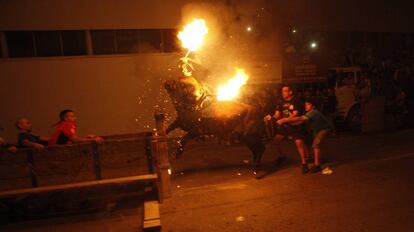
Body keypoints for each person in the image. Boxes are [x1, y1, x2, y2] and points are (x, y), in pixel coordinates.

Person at [278, 98, 334, 173]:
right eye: (305, 104)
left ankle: (317, 165)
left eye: (308, 104)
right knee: (310, 142)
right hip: (317, 130)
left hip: (325, 129)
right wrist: (288, 122)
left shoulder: (313, 112)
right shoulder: (308, 112)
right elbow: (299, 122)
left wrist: (285, 120)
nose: (306, 106)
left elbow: (300, 119)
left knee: (316, 144)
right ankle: (313, 160)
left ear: (313, 106)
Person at [264, 85, 308, 173]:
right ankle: (282, 156)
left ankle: (304, 163)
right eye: (282, 91)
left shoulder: (296, 100)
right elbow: (277, 114)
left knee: (299, 143)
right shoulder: (280, 102)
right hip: (285, 126)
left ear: (290, 92)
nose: (283, 93)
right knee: (276, 140)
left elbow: (295, 114)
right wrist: (271, 117)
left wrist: (284, 120)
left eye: (285, 91)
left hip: (295, 125)